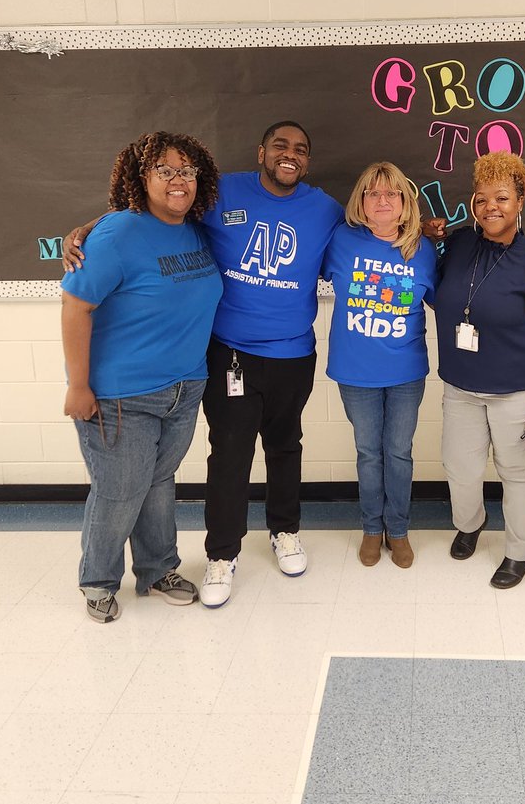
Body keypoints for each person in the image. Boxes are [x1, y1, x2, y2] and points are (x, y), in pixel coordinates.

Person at [64, 120, 343, 610]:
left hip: (272, 359)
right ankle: (213, 556)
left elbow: (369, 237)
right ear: (260, 151)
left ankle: (274, 534)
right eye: (280, 144)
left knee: (274, 449)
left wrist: (423, 234)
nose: (290, 154)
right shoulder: (217, 194)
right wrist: (88, 228)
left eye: (300, 148)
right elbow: (137, 220)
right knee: (212, 460)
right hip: (221, 357)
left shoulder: (322, 209)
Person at [61, 132, 222, 623]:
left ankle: (156, 570)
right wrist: (77, 385)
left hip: (186, 384)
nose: (179, 181)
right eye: (165, 171)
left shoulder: (196, 227)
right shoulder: (116, 234)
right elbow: (75, 306)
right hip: (122, 394)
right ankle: (98, 580)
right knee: (120, 490)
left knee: (158, 484)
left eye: (187, 171)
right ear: (140, 176)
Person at [432, 151, 525, 589]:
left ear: (521, 201)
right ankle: (470, 524)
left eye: (502, 197)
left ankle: (519, 552)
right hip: (461, 386)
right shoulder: (457, 246)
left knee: (516, 471)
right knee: (460, 466)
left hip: (516, 392)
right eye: (482, 197)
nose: (491, 206)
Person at [321, 162, 438, 568]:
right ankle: (373, 528)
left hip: (406, 373)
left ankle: (399, 530)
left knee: (399, 453)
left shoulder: (423, 248)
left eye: (392, 193)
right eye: (373, 192)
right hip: (355, 371)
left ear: (406, 203)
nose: (383, 200)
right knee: (369, 453)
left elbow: (451, 298)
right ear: (362, 201)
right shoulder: (339, 239)